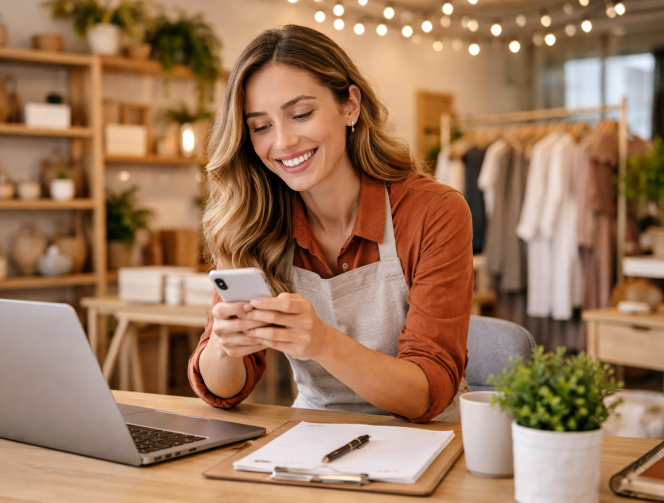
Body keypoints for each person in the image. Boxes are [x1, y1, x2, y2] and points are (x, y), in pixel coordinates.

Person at [187, 25, 473, 422]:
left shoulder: (434, 212)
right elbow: (224, 391)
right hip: (313, 437)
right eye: (261, 126)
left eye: (300, 114)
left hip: (428, 440)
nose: (283, 141)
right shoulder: (251, 221)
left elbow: (427, 393)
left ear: (350, 105)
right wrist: (224, 347)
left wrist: (322, 343)